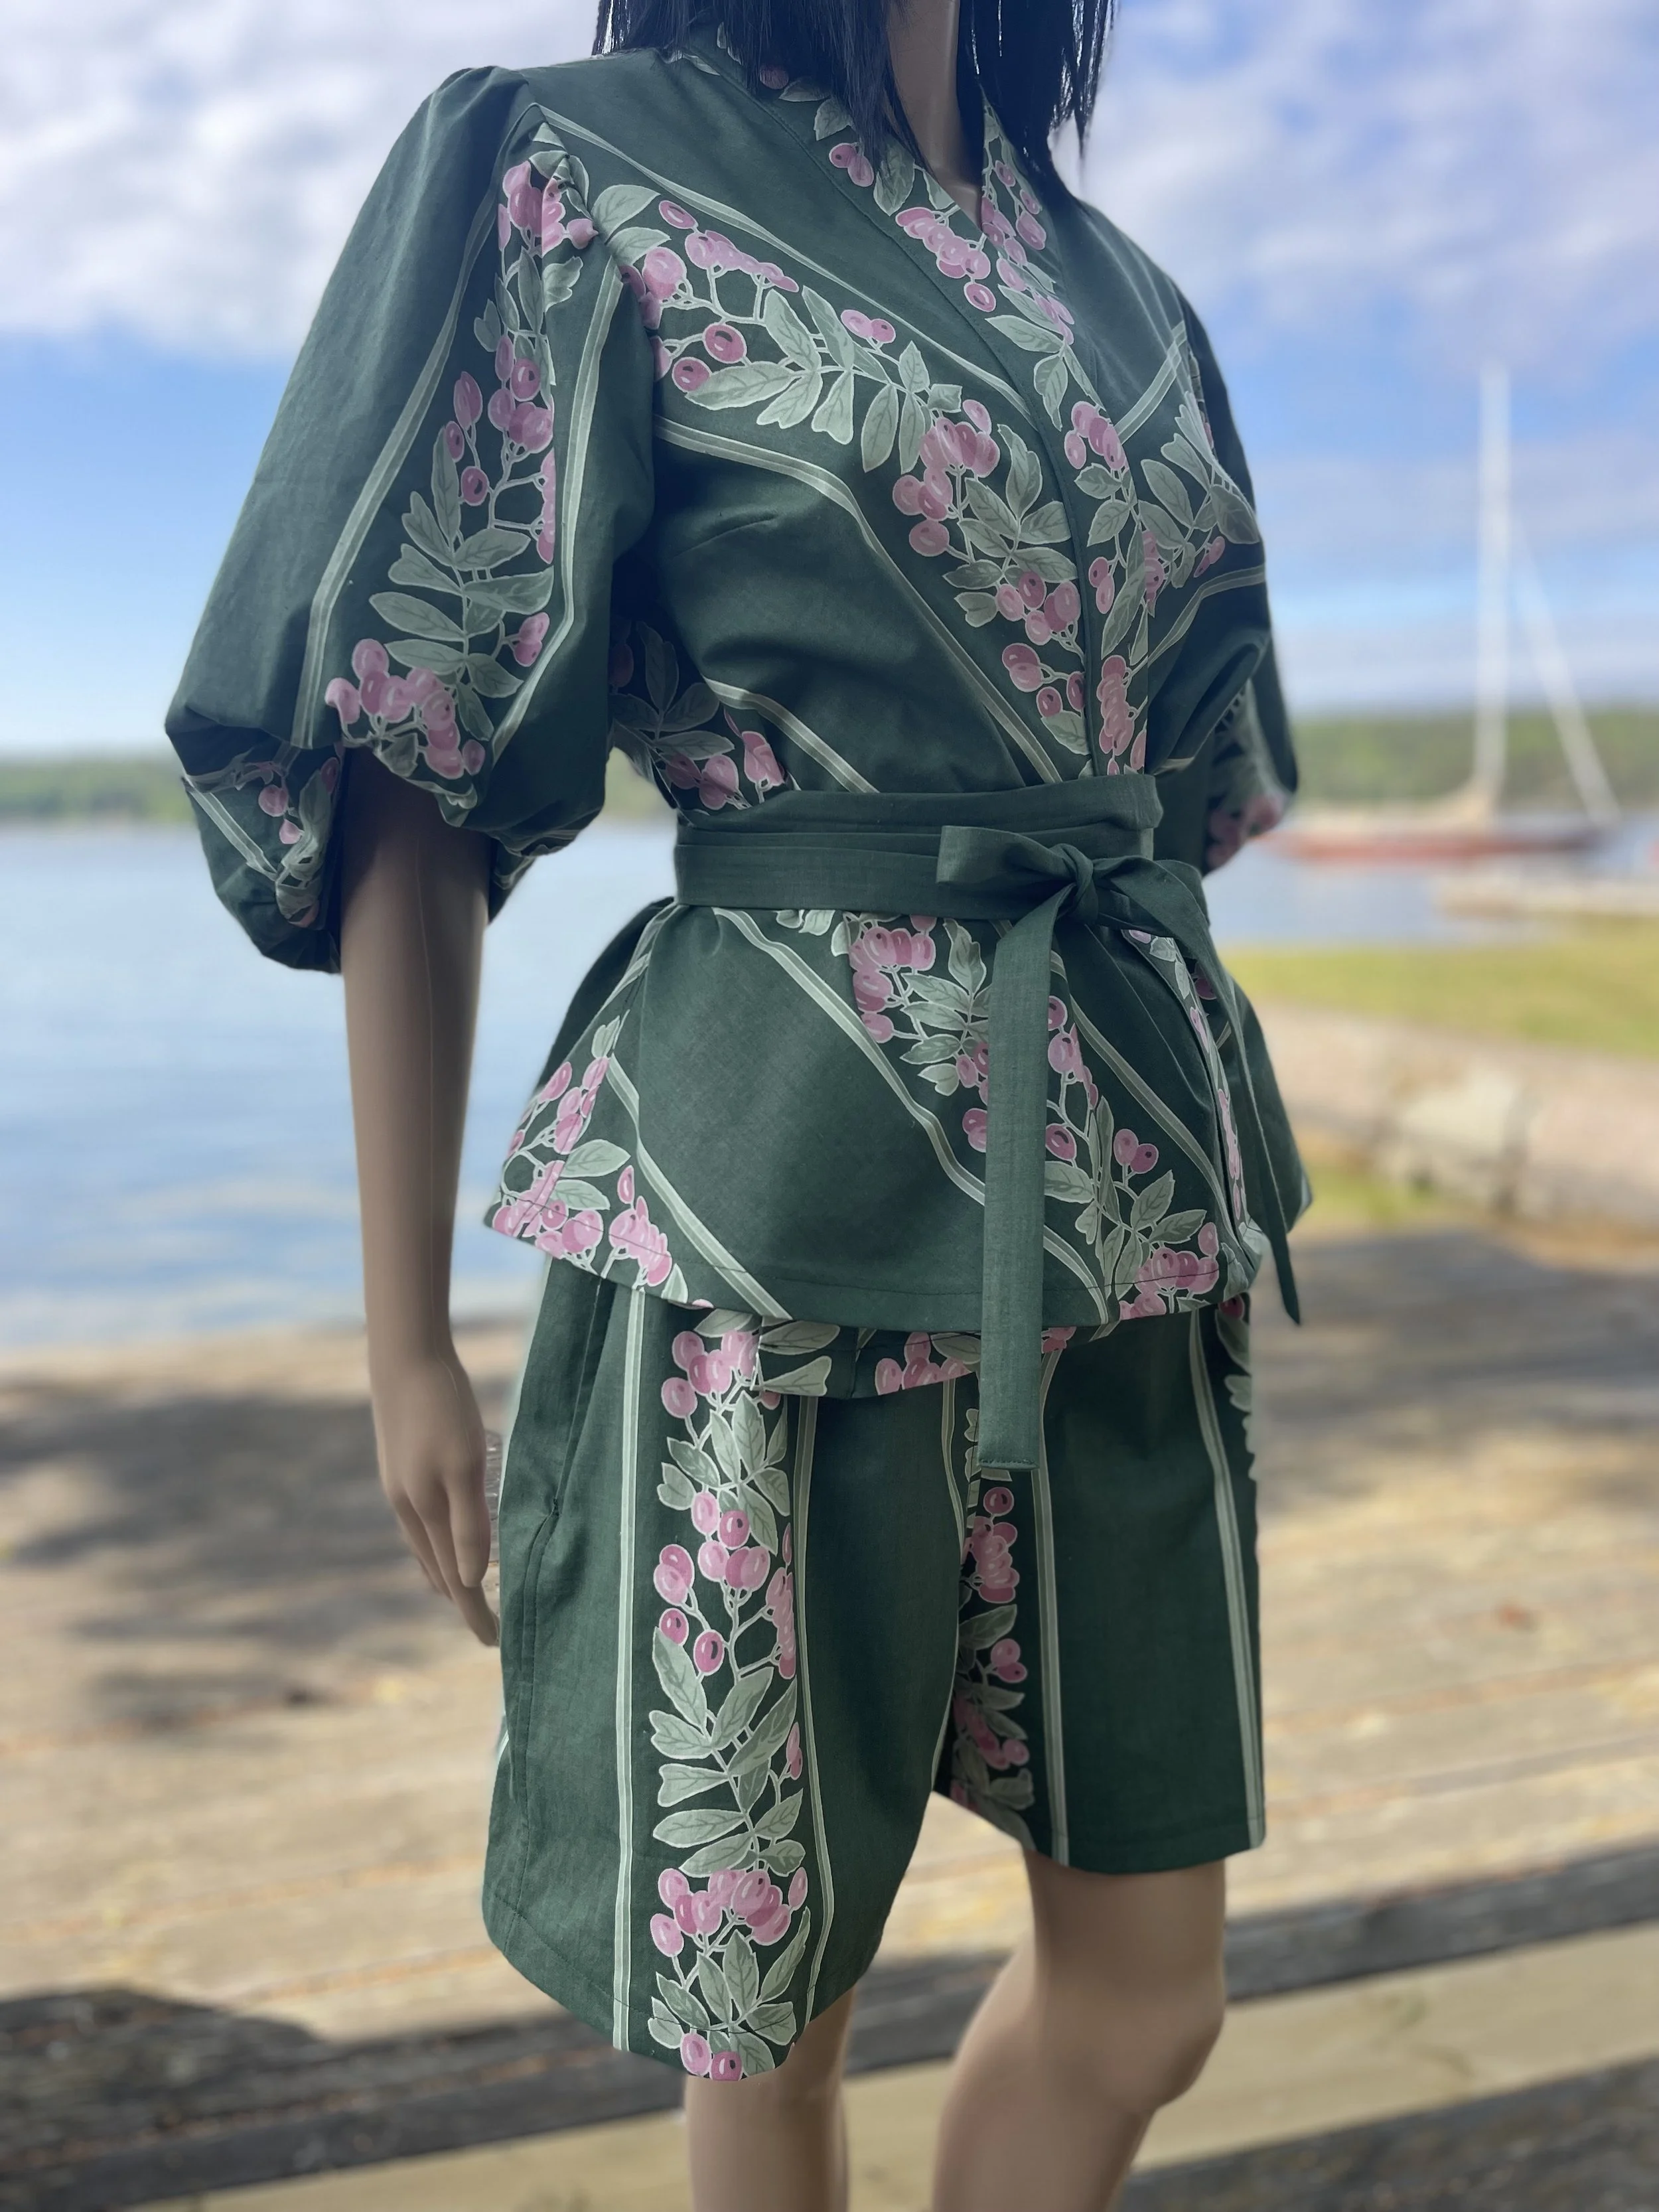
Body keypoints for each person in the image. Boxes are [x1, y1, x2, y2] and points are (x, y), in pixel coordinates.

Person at [168, 1, 1305, 2203]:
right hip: (766, 1200)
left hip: (1131, 1197)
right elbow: (415, 748)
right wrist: (399, 1329)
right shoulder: (571, 169)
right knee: (766, 2018)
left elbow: (1196, 771)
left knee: (1151, 1989)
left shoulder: (1125, 288)